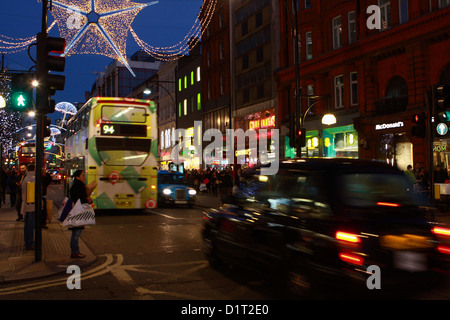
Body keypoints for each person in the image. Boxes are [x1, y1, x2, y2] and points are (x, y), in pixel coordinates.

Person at [69, 169, 96, 258]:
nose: (84, 177)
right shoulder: (79, 186)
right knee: (76, 233)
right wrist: (87, 199)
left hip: (76, 210)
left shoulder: (76, 185)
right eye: (83, 175)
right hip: (78, 211)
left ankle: (76, 251)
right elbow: (79, 198)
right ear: (77, 177)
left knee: (76, 232)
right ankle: (75, 252)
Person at [21, 164, 36, 250]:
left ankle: (28, 241)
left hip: (27, 205)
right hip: (31, 205)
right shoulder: (33, 178)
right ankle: (29, 243)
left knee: (27, 225)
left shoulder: (26, 178)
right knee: (30, 225)